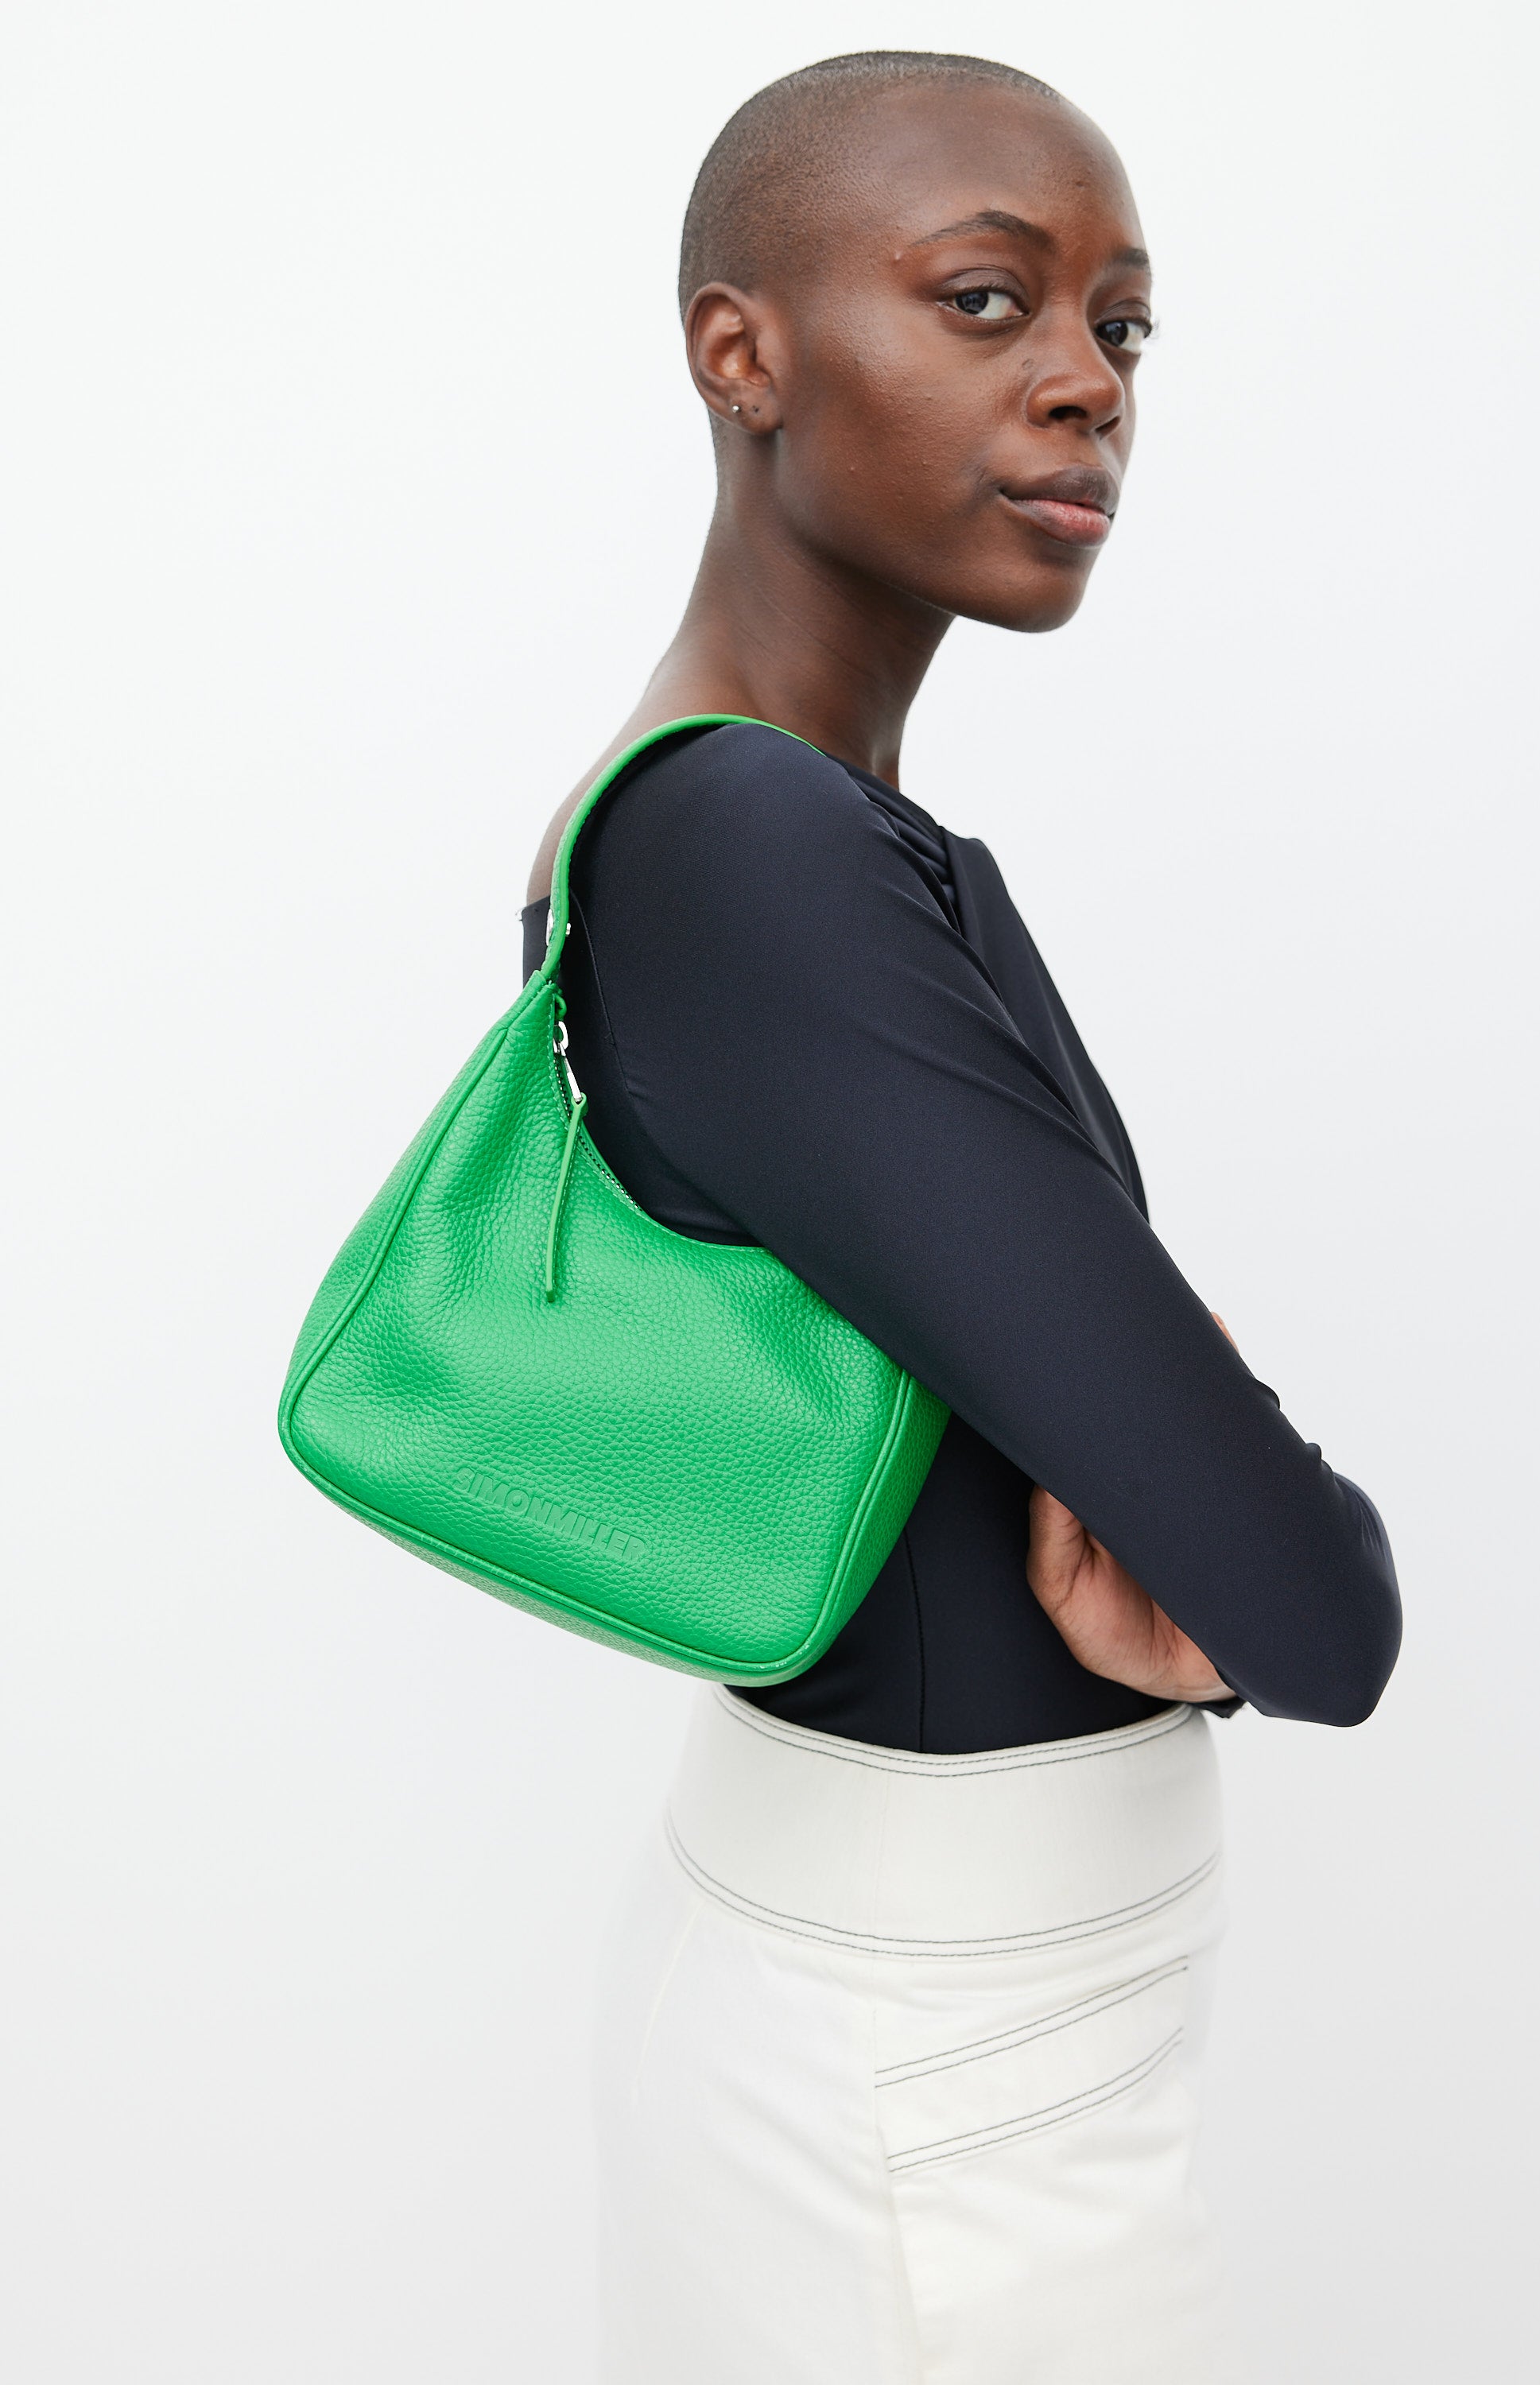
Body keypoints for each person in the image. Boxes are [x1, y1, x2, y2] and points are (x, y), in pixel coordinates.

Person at [521, 50, 1400, 2384]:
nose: (1088, 385)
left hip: (937, 2034)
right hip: (933, 2084)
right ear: (741, 353)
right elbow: (1314, 1603)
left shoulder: (809, 836)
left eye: (1125, 325)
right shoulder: (751, 848)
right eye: (988, 301)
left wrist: (1225, 1559)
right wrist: (1259, 1568)